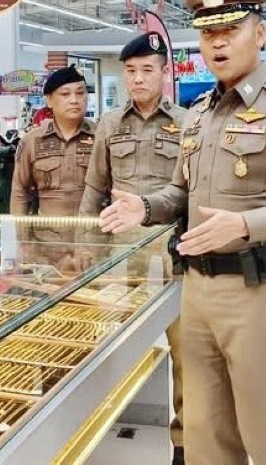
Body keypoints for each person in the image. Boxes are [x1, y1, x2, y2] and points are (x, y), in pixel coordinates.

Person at [98, 0, 266, 464]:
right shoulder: (200, 113)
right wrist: (145, 206)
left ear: (260, 33)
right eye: (208, 33)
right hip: (197, 291)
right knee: (205, 434)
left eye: (231, 29)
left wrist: (247, 224)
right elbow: (180, 191)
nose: (218, 42)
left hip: (263, 293)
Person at [78, 31, 188, 464]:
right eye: (130, 71)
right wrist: (84, 245)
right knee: (104, 348)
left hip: (173, 257)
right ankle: (90, 431)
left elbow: (191, 190)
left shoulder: (187, 121)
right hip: (119, 259)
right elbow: (94, 188)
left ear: (164, 72)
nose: (138, 78)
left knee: (187, 355)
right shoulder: (109, 123)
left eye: (147, 70)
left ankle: (184, 443)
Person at [10, 65, 95, 216]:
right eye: (65, 94)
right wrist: (20, 229)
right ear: (49, 100)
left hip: (94, 228)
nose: (74, 100)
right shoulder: (32, 141)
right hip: (48, 228)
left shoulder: (101, 136)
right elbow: (19, 192)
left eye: (80, 93)